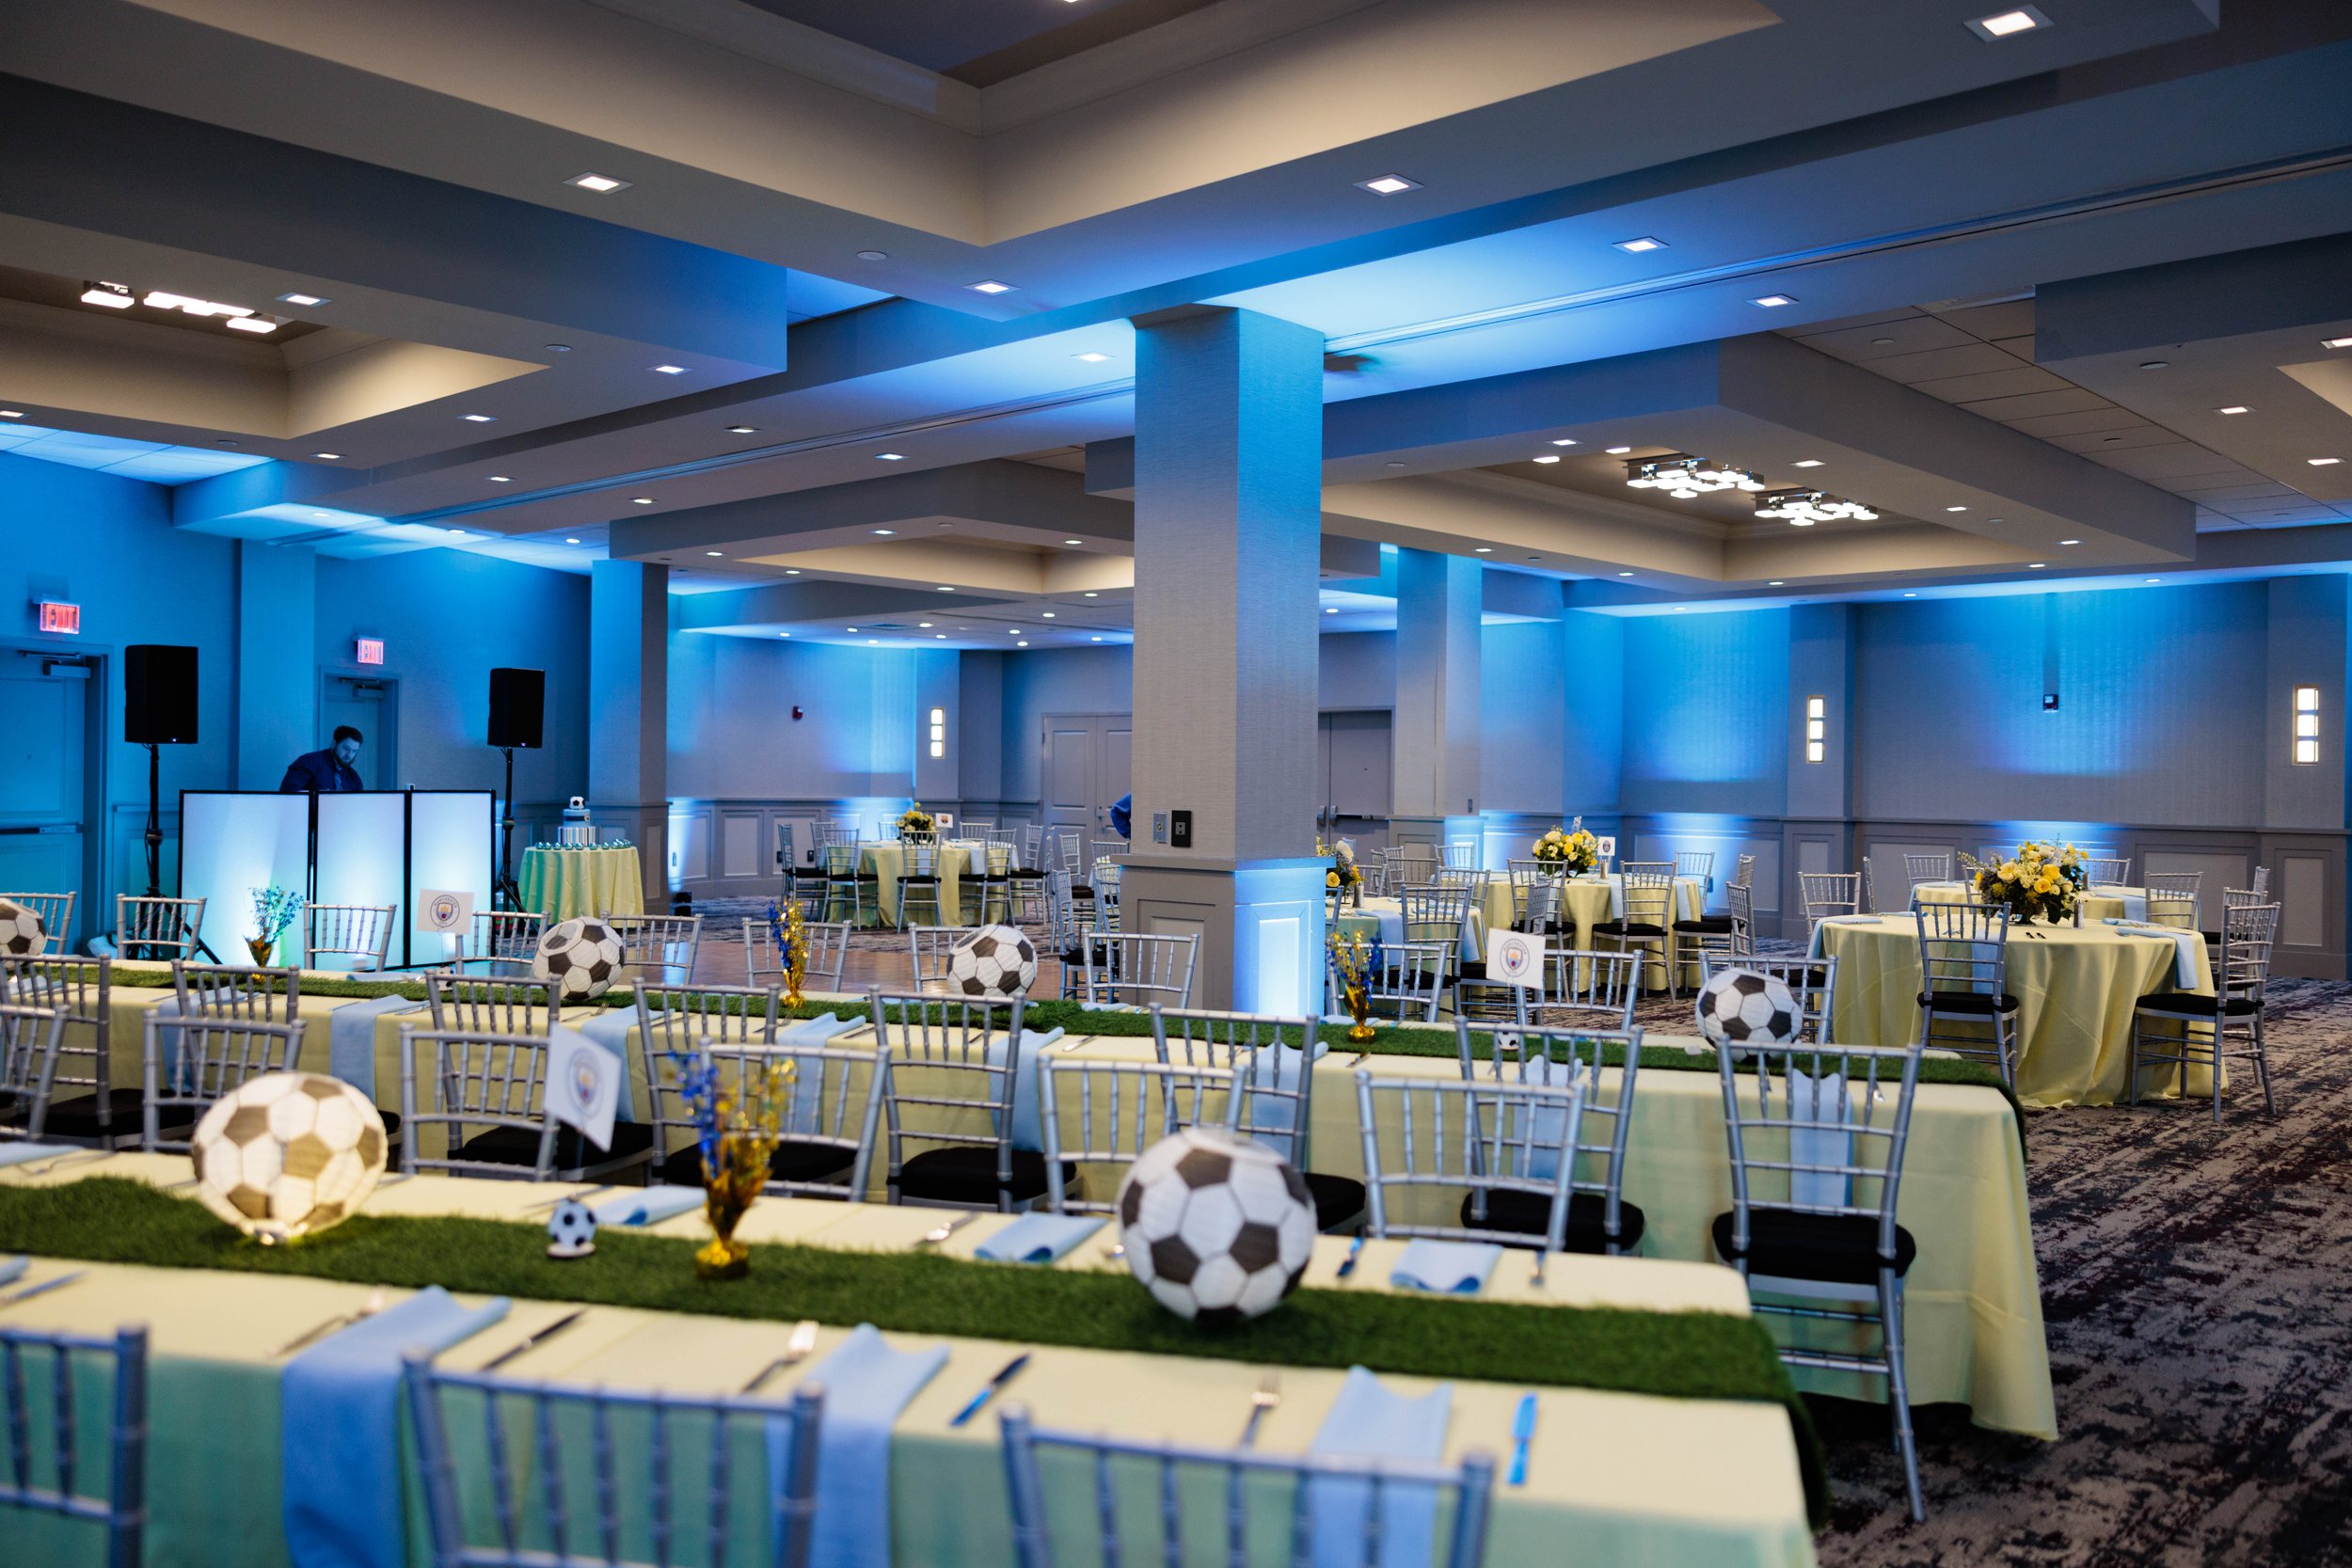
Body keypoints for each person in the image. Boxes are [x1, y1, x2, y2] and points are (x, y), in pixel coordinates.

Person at [280, 725, 365, 793]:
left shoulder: (353, 777)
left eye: (354, 751)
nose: (349, 755)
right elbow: (289, 793)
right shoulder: (309, 762)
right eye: (346, 748)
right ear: (334, 744)